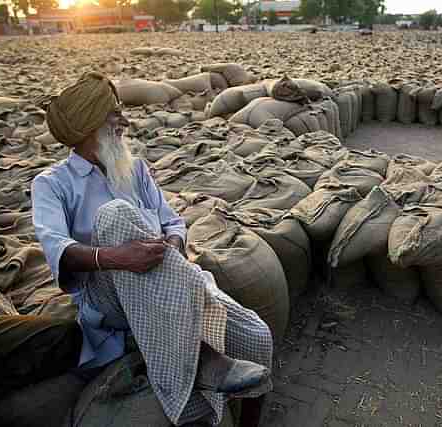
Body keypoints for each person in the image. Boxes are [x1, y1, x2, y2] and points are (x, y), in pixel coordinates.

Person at [30, 72, 273, 427]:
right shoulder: (52, 184)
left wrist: (171, 244)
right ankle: (203, 357)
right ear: (88, 125)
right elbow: (57, 247)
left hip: (171, 279)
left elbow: (173, 222)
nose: (124, 121)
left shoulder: (135, 170)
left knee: (256, 335)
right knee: (115, 215)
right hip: (109, 298)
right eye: (114, 114)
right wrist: (118, 257)